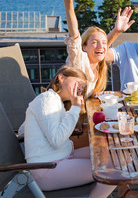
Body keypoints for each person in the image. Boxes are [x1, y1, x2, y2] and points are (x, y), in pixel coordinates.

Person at [23, 66, 116, 197]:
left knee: (114, 156)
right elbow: (56, 140)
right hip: (46, 169)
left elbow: (24, 129)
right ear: (61, 78)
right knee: (113, 170)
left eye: (83, 87)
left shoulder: (55, 102)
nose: (80, 89)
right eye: (78, 83)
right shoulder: (47, 99)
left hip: (62, 157)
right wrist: (75, 108)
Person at [56, 0, 135, 97]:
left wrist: (116, 31)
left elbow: (103, 48)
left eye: (103, 43)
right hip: (64, 114)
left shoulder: (97, 66)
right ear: (84, 47)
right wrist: (68, 1)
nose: (101, 46)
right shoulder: (78, 61)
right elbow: (74, 35)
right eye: (94, 42)